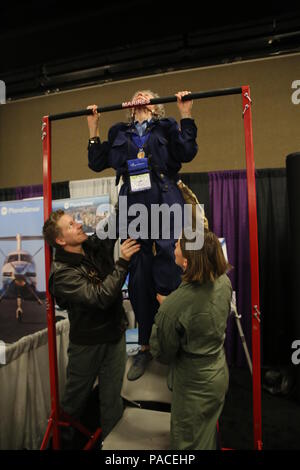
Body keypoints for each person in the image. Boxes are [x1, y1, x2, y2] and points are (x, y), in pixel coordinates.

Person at [87, 89, 199, 380]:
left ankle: (174, 347)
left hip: (163, 199)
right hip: (134, 205)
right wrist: (93, 128)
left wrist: (185, 113)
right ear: (130, 106)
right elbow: (97, 162)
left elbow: (187, 152)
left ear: (154, 106)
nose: (140, 96)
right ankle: (146, 346)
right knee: (138, 275)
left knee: (168, 269)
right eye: (136, 95)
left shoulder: (166, 126)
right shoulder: (118, 131)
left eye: (146, 95)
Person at [42, 209, 140, 446]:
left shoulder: (92, 245)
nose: (78, 224)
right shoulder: (62, 274)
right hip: (87, 344)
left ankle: (111, 445)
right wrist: (123, 262)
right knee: (74, 400)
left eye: (74, 221)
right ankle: (63, 440)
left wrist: (131, 185)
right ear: (60, 240)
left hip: (114, 335)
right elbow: (100, 297)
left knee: (111, 399)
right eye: (70, 225)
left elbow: (115, 221)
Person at [149, 230, 232, 450]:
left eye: (177, 244)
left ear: (185, 260)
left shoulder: (173, 307)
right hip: (218, 372)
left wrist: (168, 311)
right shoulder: (224, 281)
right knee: (205, 433)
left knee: (188, 443)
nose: (173, 245)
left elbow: (163, 353)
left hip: (194, 387)